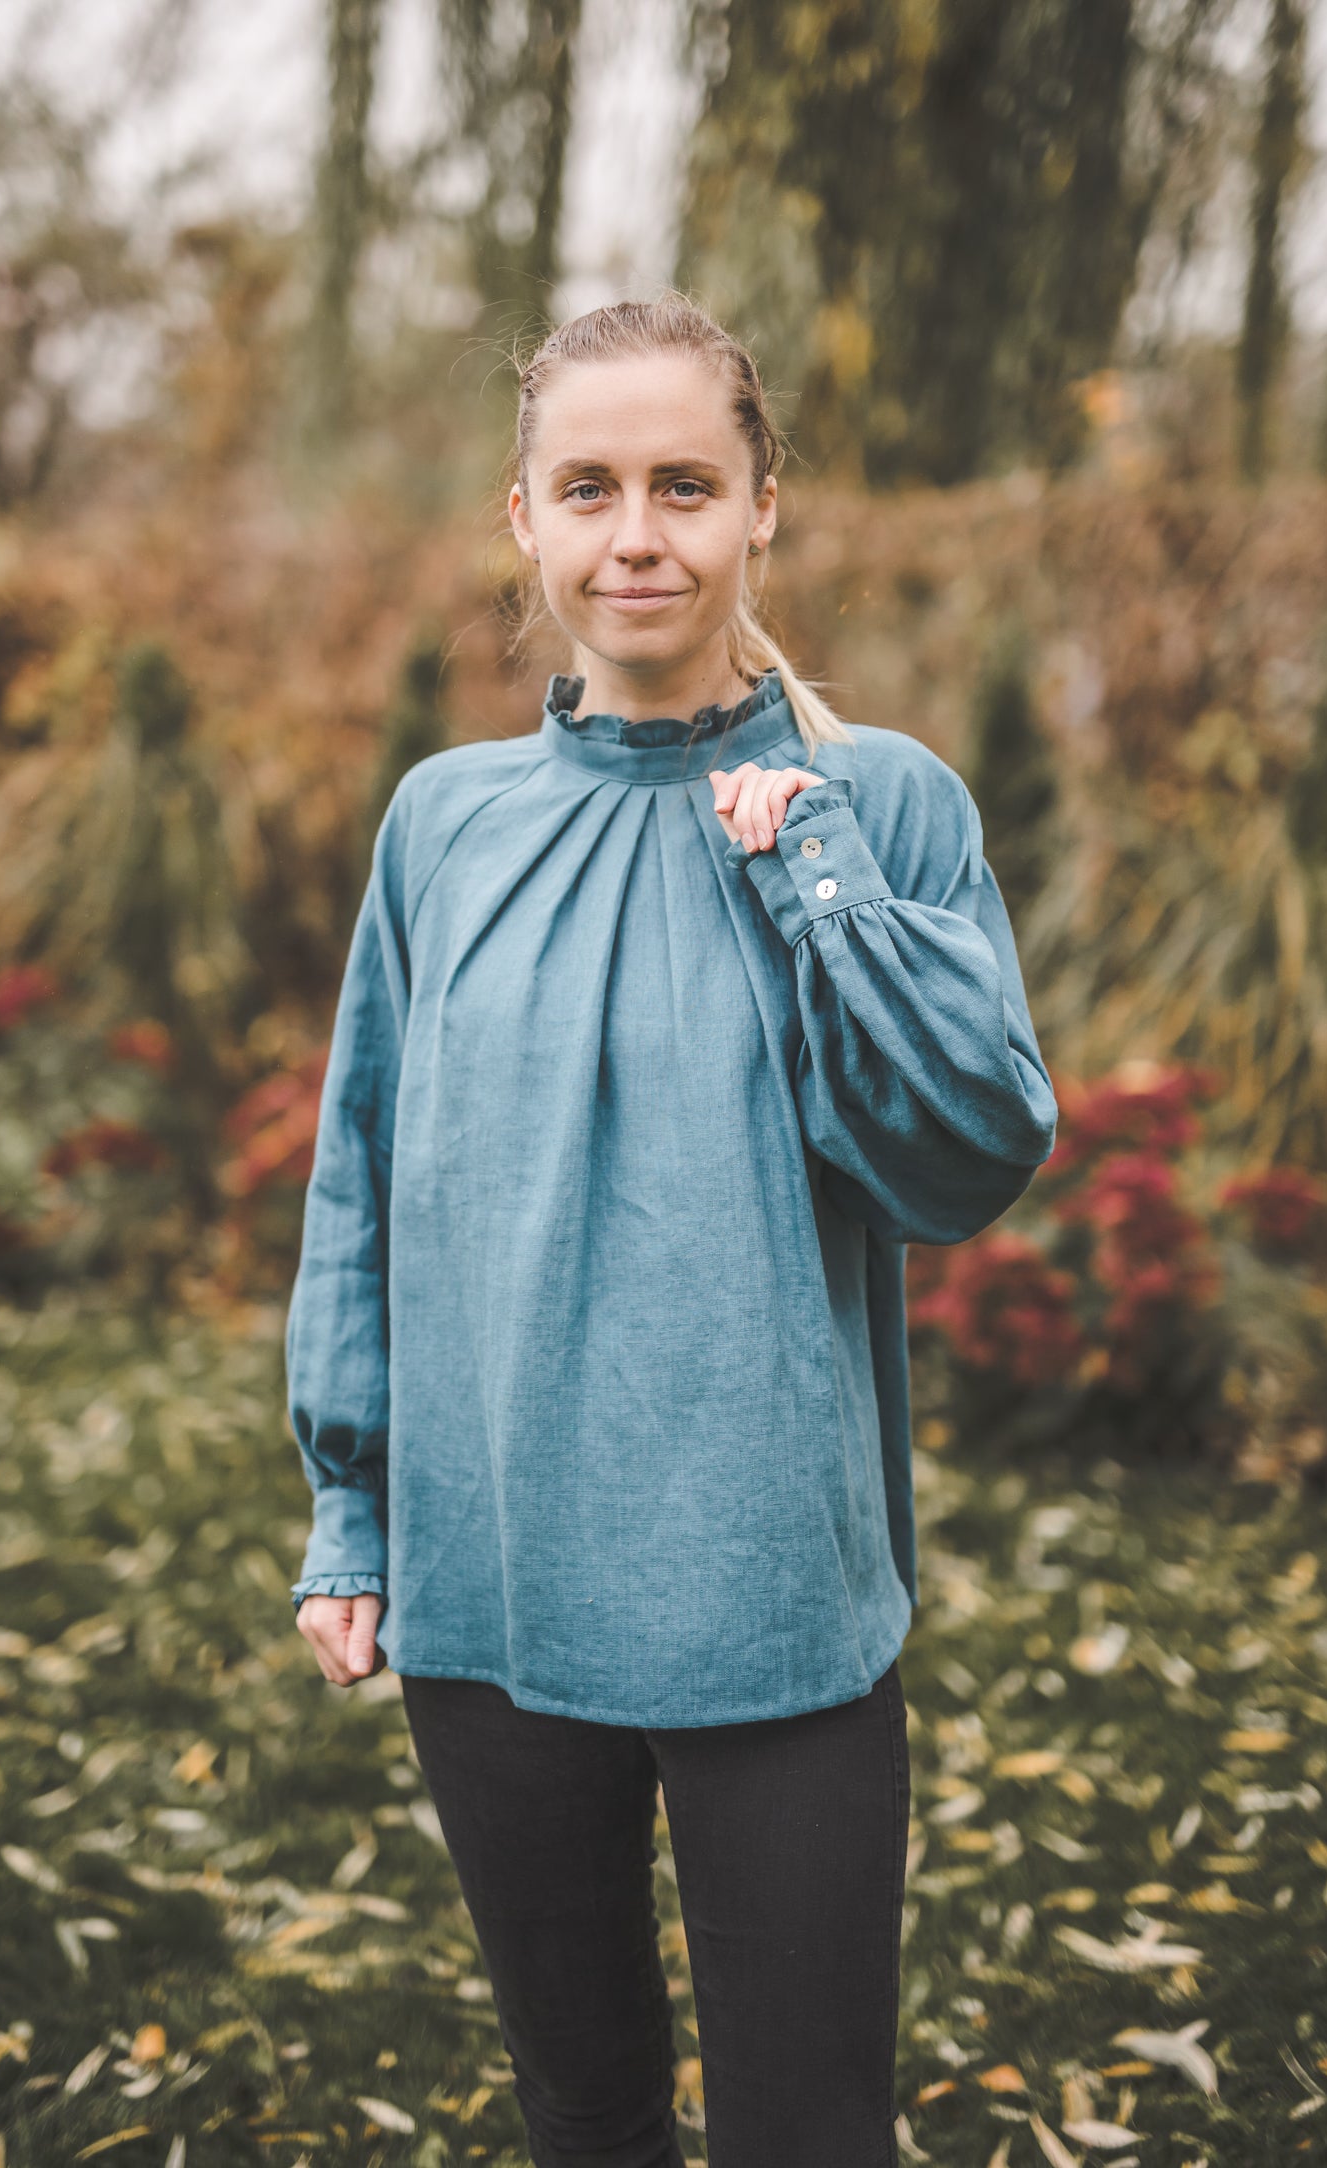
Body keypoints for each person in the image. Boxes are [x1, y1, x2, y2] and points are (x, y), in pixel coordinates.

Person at [285, 291, 1059, 2168]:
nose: (637, 533)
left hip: (769, 1610)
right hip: (489, 1601)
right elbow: (363, 1172)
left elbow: (967, 1156)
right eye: (590, 486)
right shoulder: (442, 825)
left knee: (806, 2134)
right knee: (586, 2110)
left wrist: (810, 872)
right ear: (525, 516)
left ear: (761, 506)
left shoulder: (883, 805)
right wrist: (347, 1496)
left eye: (684, 484)